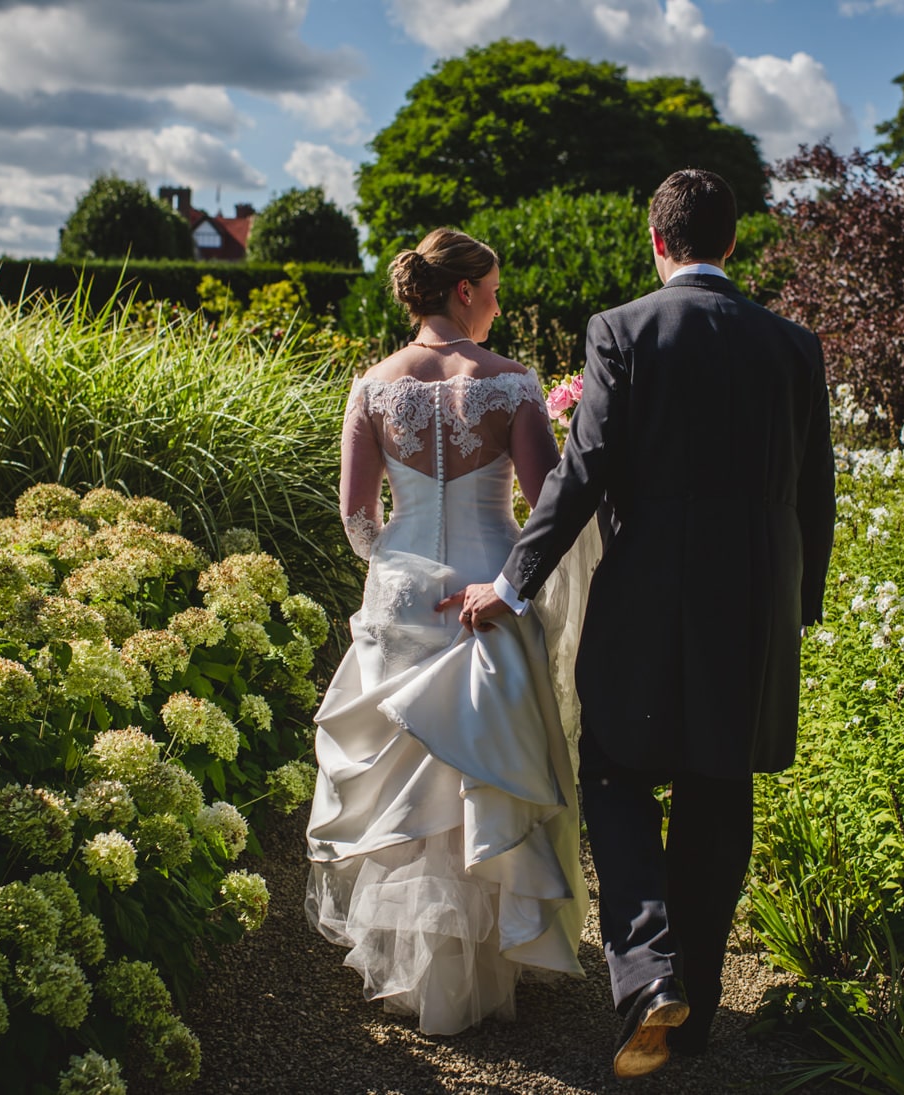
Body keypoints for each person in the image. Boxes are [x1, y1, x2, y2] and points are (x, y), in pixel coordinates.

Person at [450, 169, 837, 1078]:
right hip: (751, 616)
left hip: (646, 610)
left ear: (656, 243)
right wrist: (799, 606)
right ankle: (692, 1017)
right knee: (718, 790)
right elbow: (815, 495)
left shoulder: (622, 331)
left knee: (618, 779)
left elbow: (583, 476)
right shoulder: (794, 346)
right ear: (732, 244)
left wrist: (511, 584)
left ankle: (649, 972)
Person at [303, 228, 589, 1036]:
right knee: (481, 776)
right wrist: (504, 581)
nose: (498, 302)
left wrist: (395, 565)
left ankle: (416, 962)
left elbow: (357, 515)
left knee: (411, 786)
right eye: (493, 287)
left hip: (400, 597)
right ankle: (488, 959)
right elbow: (547, 504)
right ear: (462, 290)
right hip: (488, 590)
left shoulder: (371, 386)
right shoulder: (509, 385)